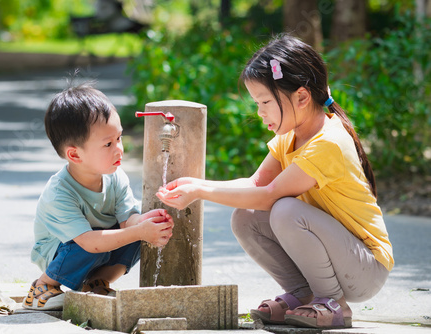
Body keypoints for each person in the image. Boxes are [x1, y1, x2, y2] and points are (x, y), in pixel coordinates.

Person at [156, 34, 393, 329]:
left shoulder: (328, 142)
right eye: (257, 102)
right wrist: (195, 182)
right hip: (341, 258)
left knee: (284, 210)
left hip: (366, 267)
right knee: (245, 217)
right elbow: (256, 183)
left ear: (302, 97)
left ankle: (333, 304)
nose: (260, 112)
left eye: (265, 101)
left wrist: (201, 191)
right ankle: (303, 295)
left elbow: (269, 195)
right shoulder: (289, 137)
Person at [23, 83, 174, 311]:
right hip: (62, 250)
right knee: (93, 242)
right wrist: (137, 231)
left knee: (136, 237)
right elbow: (89, 243)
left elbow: (127, 222)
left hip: (96, 245)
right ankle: (42, 286)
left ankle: (96, 283)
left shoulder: (115, 177)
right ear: (74, 154)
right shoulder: (59, 192)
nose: (120, 149)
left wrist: (145, 223)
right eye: (108, 144)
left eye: (119, 138)